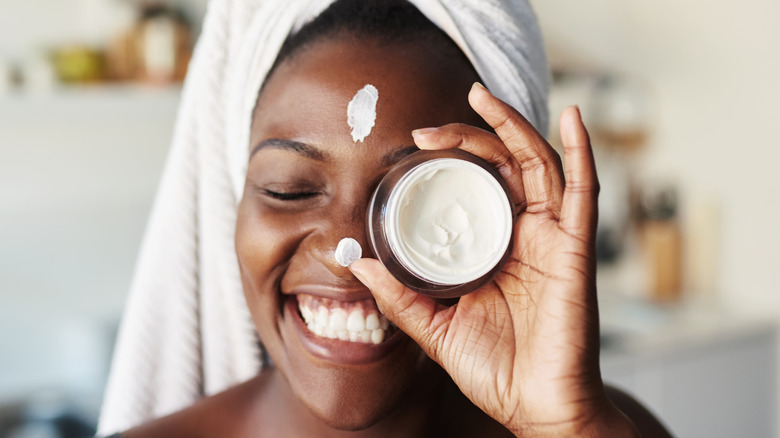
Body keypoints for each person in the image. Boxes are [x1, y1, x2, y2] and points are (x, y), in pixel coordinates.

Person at [99, 0, 672, 436]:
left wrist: (566, 428)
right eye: (288, 190)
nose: (350, 257)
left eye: (416, 199)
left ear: (510, 212)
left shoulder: (604, 427)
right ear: (234, 200)